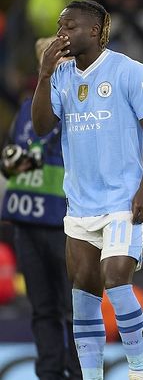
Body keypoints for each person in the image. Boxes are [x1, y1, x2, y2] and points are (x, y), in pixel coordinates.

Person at [31, 0, 143, 380]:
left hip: (123, 200)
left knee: (116, 278)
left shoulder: (128, 70)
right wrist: (43, 76)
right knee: (85, 295)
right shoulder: (60, 76)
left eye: (69, 27)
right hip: (80, 205)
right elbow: (41, 126)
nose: (62, 35)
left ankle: (138, 371)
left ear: (93, 31)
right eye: (60, 28)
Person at [2, 38, 82, 379]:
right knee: (42, 310)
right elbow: (9, 161)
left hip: (66, 226)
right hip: (27, 224)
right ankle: (49, 374)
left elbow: (16, 159)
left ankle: (81, 373)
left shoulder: (79, 107)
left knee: (73, 310)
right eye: (45, 59)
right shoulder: (26, 108)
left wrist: (26, 159)